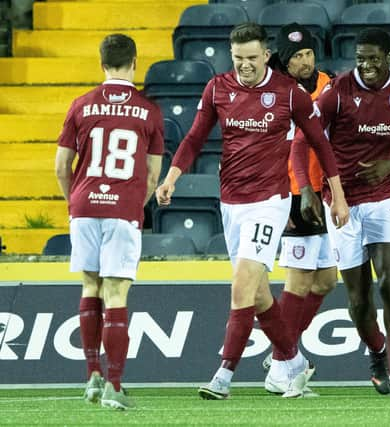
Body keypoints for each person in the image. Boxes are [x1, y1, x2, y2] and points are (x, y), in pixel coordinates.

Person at [155, 22, 349, 400]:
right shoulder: (218, 88)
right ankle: (290, 366)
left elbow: (322, 147)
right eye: (237, 58)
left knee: (242, 284)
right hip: (231, 203)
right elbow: (195, 136)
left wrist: (337, 196)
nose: (243, 65)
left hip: (270, 202)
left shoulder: (289, 93)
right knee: (259, 295)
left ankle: (224, 376)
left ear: (265, 56)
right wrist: (171, 177)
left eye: (250, 58)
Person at [291, 28, 390, 396]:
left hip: (384, 198)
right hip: (342, 204)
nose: (365, 65)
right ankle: (377, 353)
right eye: (360, 58)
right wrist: (306, 190)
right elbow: (302, 141)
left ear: (389, 58)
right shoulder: (339, 92)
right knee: (358, 299)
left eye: (372, 58)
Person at [54, 33, 164, 410]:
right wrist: (134, 202)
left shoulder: (81, 105)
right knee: (116, 293)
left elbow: (60, 166)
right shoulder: (149, 111)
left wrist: (76, 202)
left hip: (84, 206)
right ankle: (114, 385)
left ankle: (92, 377)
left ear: (101, 64)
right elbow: (152, 175)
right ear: (135, 62)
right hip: (123, 209)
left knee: (90, 287)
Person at [260, 23, 338, 397]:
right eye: (296, 57)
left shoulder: (331, 84)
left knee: (326, 280)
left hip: (322, 193)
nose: (305, 62)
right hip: (292, 193)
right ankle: (280, 366)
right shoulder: (272, 92)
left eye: (308, 54)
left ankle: (282, 346)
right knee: (300, 279)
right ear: (284, 61)